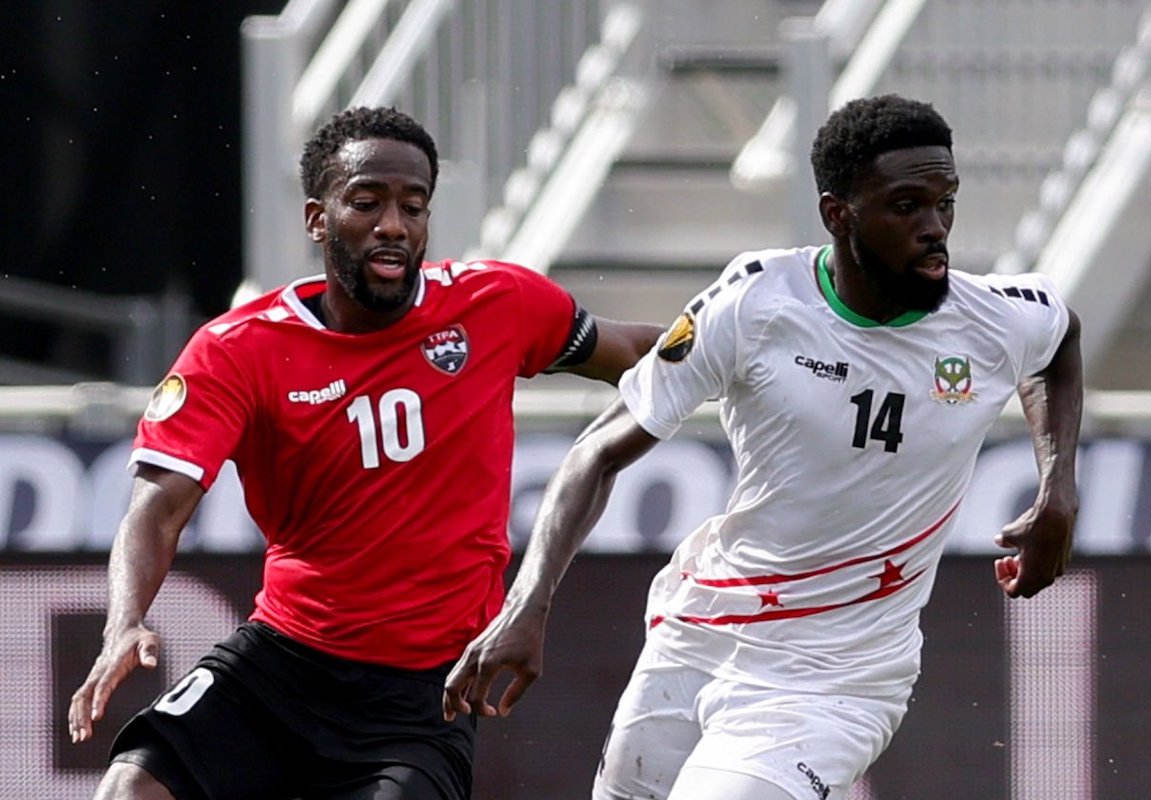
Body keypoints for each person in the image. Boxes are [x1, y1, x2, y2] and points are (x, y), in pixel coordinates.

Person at [444, 94, 1083, 800]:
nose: (935, 230)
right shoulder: (756, 304)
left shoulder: (992, 318)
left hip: (841, 677)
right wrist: (527, 603)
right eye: (907, 207)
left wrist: (1057, 487)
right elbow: (598, 451)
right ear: (838, 215)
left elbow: (1060, 343)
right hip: (699, 637)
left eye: (946, 203)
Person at [67, 106, 663, 800]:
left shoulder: (496, 304)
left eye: (413, 206)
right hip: (280, 666)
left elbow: (635, 351)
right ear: (318, 219)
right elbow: (158, 507)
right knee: (129, 790)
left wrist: (747, 339)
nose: (394, 225)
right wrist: (125, 622)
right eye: (367, 202)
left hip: (419, 700)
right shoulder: (239, 349)